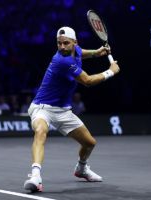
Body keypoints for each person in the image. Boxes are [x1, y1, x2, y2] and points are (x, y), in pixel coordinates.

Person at [23, 26, 120, 192]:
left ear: (74, 42)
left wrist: (96, 53)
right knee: (40, 131)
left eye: (65, 43)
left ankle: (81, 169)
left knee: (89, 143)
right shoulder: (62, 61)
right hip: (42, 107)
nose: (61, 47)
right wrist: (110, 72)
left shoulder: (75, 49)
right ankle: (35, 176)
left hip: (63, 110)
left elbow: (82, 52)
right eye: (58, 43)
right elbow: (87, 81)